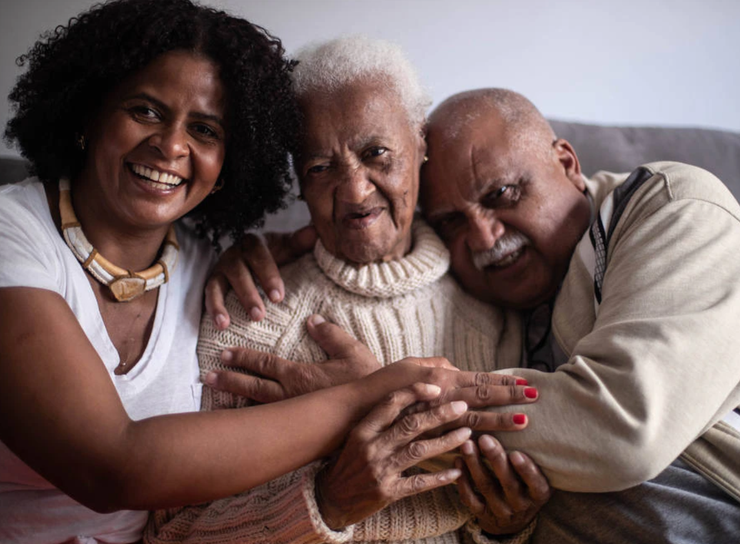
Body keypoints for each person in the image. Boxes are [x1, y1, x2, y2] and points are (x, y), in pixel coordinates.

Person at [0, 2, 530, 541]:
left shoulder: (214, 270)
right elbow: (117, 472)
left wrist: (506, 526)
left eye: (205, 130)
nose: (170, 146)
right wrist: (370, 396)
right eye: (146, 110)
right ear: (88, 110)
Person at [206, 88, 740, 542]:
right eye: (452, 222)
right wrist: (250, 248)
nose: (485, 237)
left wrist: (378, 398)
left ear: (567, 163)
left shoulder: (672, 209)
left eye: (503, 194)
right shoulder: (472, 290)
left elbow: (623, 430)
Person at [146, 37, 548, 544]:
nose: (355, 191)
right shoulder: (250, 313)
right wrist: (328, 503)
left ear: (420, 144)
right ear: (297, 177)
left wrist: (506, 526)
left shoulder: (492, 305)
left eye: (376, 153)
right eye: (320, 168)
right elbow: (173, 532)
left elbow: (498, 506)